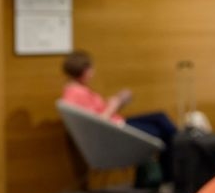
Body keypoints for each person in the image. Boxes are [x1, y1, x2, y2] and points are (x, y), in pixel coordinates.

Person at [60, 50, 177, 181]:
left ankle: (179, 155)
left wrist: (116, 101)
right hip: (115, 131)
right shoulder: (76, 93)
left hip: (117, 124)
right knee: (164, 132)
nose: (93, 72)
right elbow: (97, 123)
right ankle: (174, 173)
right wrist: (115, 104)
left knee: (160, 118)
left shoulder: (76, 90)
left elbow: (96, 112)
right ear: (84, 71)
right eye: (90, 69)